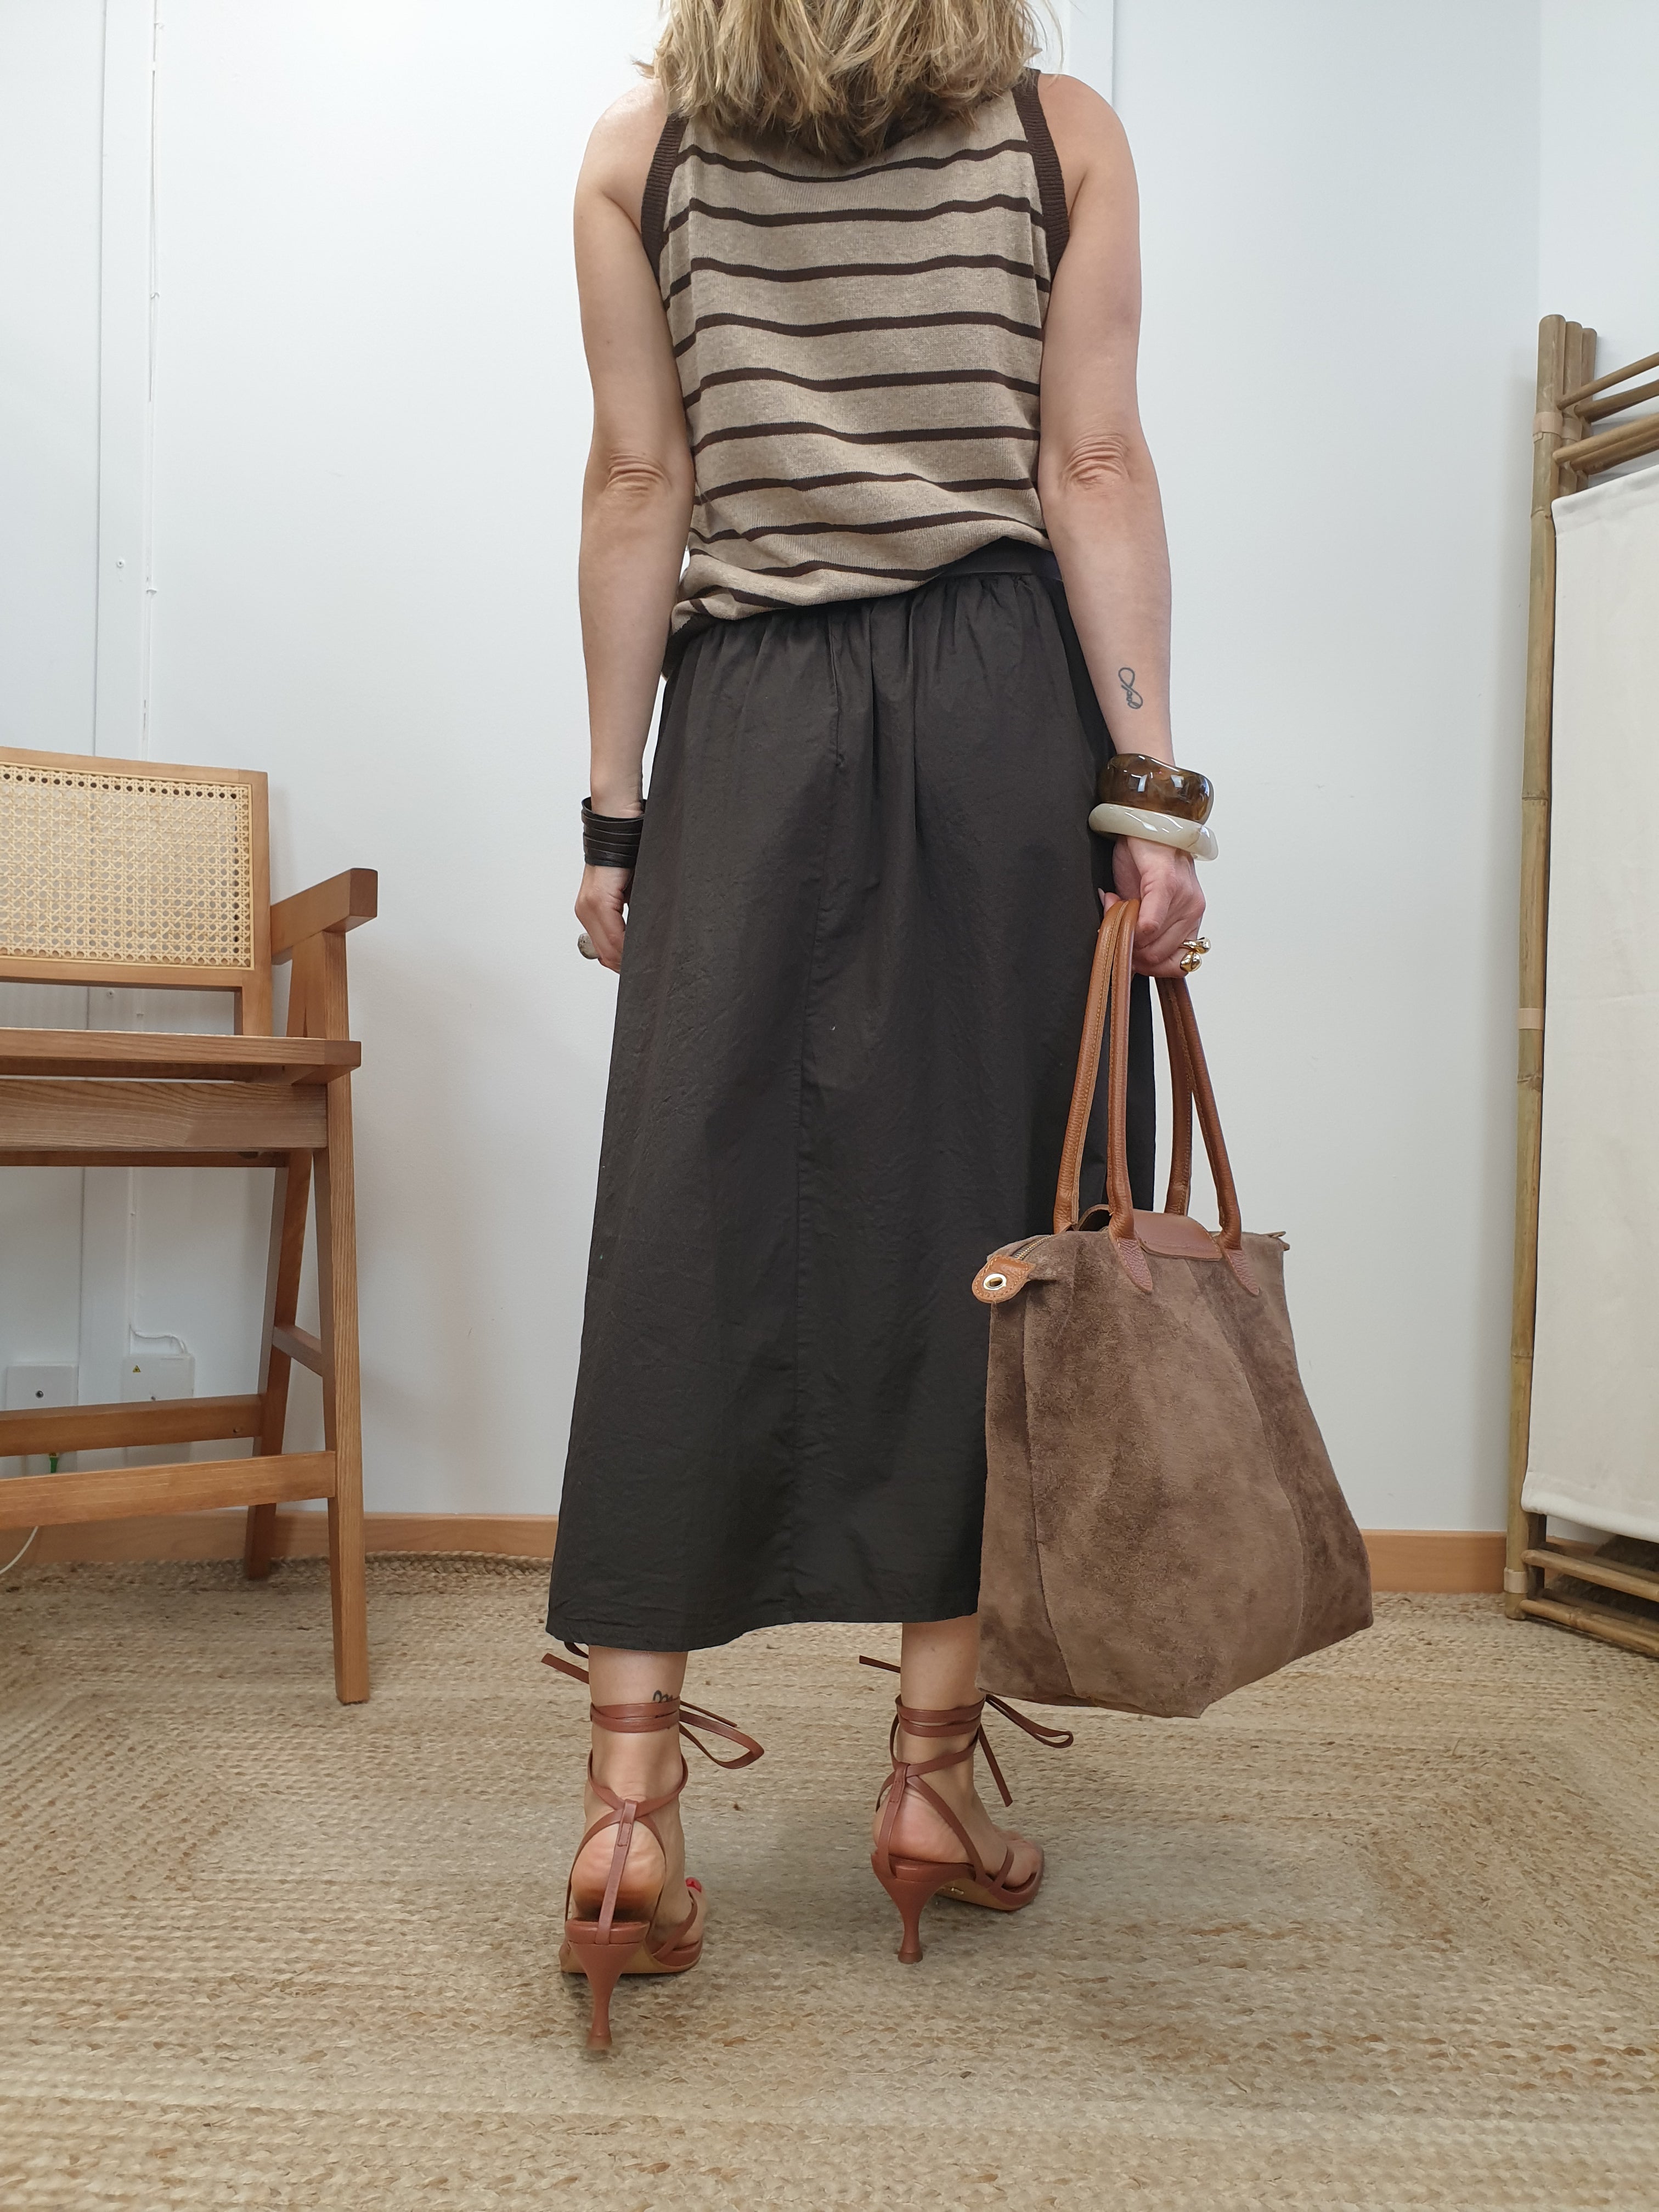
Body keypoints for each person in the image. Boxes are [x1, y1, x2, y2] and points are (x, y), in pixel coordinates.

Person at [545, 0, 1206, 2049]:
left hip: (745, 720)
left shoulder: (640, 154)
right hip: (1000, 709)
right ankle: (928, 1784)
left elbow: (639, 480)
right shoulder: (1058, 133)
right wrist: (1150, 799)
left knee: (690, 1221)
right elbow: (1089, 462)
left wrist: (616, 813)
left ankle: (628, 1816)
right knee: (983, 1228)